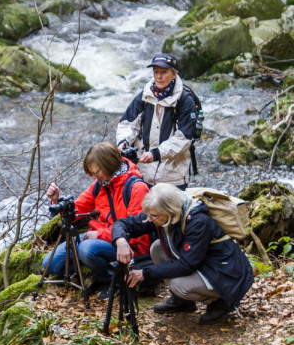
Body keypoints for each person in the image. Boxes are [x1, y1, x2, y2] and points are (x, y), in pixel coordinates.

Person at [111, 183, 253, 324]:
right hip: (202, 262)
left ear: (170, 211)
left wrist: (144, 273)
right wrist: (120, 240)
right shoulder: (159, 213)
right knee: (157, 248)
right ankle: (183, 303)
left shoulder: (198, 221)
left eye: (153, 216)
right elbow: (124, 223)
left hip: (225, 272)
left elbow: (186, 265)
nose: (149, 220)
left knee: (178, 285)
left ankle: (221, 302)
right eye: (149, 215)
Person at [42, 142, 150, 300]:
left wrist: (98, 235)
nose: (93, 176)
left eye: (96, 172)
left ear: (110, 165)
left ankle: (113, 281)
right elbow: (76, 212)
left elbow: (134, 234)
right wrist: (57, 201)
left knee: (87, 249)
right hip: (100, 238)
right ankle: (97, 268)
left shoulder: (137, 188)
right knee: (50, 264)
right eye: (91, 173)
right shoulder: (100, 184)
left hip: (129, 247)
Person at [116, 53, 198, 190]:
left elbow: (183, 139)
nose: (159, 76)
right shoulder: (145, 96)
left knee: (170, 211)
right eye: (156, 72)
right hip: (143, 171)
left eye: (164, 72)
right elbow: (128, 123)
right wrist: (123, 142)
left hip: (173, 176)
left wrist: (156, 154)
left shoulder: (185, 101)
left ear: (174, 74)